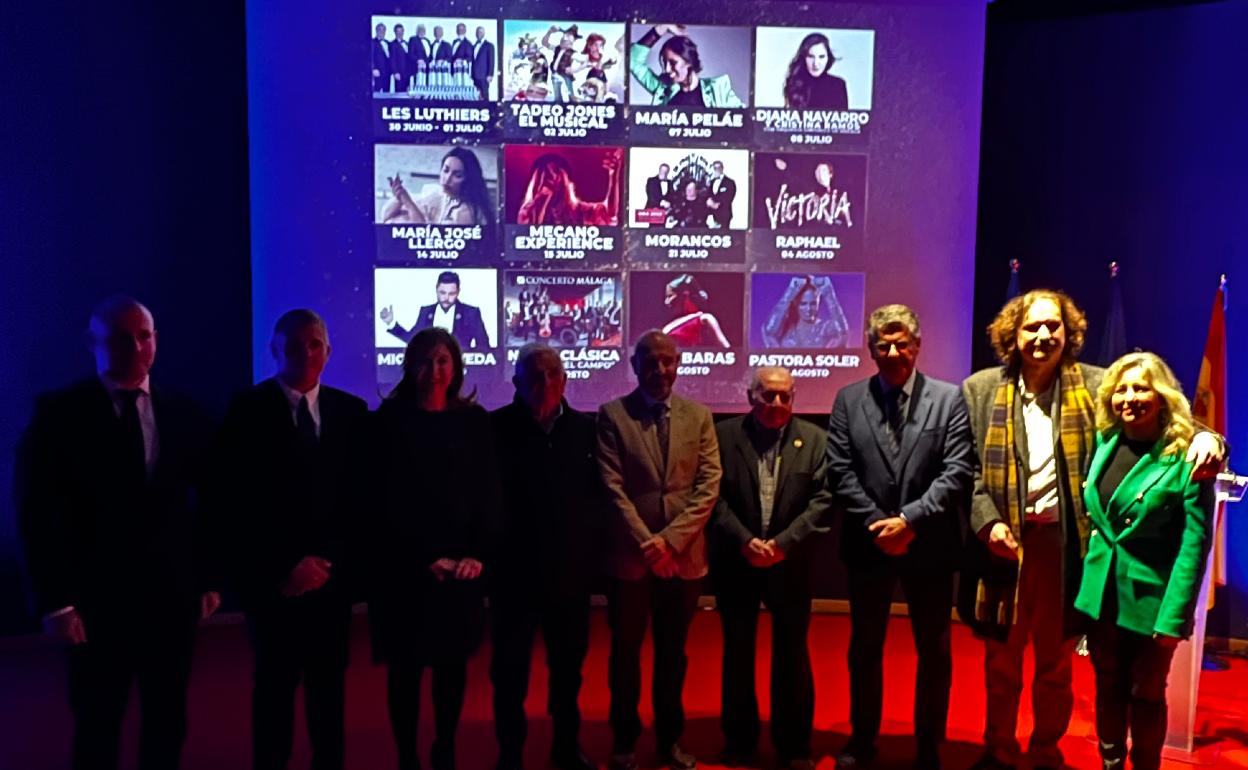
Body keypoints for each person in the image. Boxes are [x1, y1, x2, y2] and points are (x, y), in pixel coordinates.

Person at [959, 290, 1223, 770]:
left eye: (1053, 326)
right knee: (1001, 661)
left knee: (1056, 665)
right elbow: (967, 470)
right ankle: (998, 749)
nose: (1043, 336)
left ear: (1069, 332)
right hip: (1001, 544)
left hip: (1068, 548)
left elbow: (1172, 417)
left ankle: (1045, 751)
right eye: (1031, 327)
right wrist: (986, 521)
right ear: (1012, 335)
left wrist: (1210, 438)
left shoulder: (1100, 385)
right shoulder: (978, 390)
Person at [15, 295, 220, 770]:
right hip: (94, 603)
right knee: (97, 724)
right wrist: (56, 601)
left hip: (170, 600)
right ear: (93, 345)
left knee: (167, 721)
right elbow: (35, 512)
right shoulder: (60, 415)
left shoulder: (183, 411)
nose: (136, 347)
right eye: (121, 338)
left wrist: (208, 576)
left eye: (144, 336)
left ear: (156, 340)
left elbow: (211, 500)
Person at [214, 309, 367, 770]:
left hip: (331, 584)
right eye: (295, 346)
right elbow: (234, 504)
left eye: (315, 345)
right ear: (275, 351)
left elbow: (359, 503)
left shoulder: (351, 412)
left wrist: (327, 565)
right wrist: (285, 566)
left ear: (328, 351)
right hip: (274, 586)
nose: (306, 354)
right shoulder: (245, 411)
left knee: (329, 696)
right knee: (274, 693)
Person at [825, 304, 974, 770]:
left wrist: (908, 520)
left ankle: (928, 746)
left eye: (901, 343)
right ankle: (862, 740)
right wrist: (879, 525)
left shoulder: (949, 399)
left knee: (934, 651)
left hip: (927, 544)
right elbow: (840, 471)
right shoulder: (848, 400)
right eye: (883, 345)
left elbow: (957, 471)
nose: (893, 352)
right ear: (870, 350)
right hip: (868, 544)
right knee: (864, 648)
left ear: (917, 345)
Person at [367, 328, 502, 770]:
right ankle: (407, 757)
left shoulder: (475, 421)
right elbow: (380, 502)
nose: (435, 371)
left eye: (443, 361)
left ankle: (444, 750)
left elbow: (487, 493)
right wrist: (425, 558)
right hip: (405, 572)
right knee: (404, 674)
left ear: (457, 367)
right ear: (410, 366)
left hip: (461, 572)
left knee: (451, 669)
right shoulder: (386, 422)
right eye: (426, 361)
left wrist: (476, 555)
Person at [1074, 352, 1213, 770]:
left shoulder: (1186, 457)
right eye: (1121, 389)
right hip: (1101, 597)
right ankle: (1111, 764)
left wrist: (1174, 620)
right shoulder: (1105, 442)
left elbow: (1194, 545)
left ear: (1162, 395)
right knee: (1107, 688)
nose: (1129, 398)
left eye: (1141, 388)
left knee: (1147, 696)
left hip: (1151, 605)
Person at [597, 331, 722, 770]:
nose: (660, 370)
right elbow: (611, 486)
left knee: (673, 656)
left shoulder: (699, 416)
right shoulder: (613, 415)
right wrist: (648, 544)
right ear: (634, 366)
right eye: (650, 362)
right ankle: (625, 741)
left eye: (668, 361)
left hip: (683, 559)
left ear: (679, 363)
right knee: (625, 655)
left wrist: (670, 542)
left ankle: (670, 741)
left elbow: (709, 485)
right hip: (631, 559)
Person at [490, 345, 605, 770]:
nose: (544, 383)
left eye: (553, 374)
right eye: (534, 376)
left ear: (565, 380)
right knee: (509, 674)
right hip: (512, 575)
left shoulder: (585, 430)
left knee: (568, 673)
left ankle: (565, 749)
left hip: (569, 575)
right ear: (516, 382)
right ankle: (510, 753)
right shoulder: (494, 428)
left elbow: (597, 501)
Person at [711, 367, 832, 770]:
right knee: (738, 653)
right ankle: (740, 742)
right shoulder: (724, 436)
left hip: (790, 566)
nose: (776, 404)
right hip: (737, 562)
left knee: (792, 655)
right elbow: (714, 497)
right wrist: (744, 540)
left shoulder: (816, 440)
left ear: (794, 397)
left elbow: (823, 501)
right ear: (750, 397)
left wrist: (783, 545)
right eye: (767, 396)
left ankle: (794, 745)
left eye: (784, 396)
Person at [630, 24, 744, 108]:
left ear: (689, 62)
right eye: (664, 62)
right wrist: (661, 28)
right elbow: (632, 61)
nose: (667, 69)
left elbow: (745, 120)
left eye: (673, 63)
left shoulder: (718, 90)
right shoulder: (662, 88)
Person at [381, 146, 495, 227]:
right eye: (445, 170)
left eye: (457, 175)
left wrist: (407, 201)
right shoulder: (438, 194)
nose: (447, 179)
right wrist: (399, 196)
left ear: (469, 180)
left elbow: (425, 235)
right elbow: (385, 217)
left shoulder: (465, 213)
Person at [379, 270, 492, 351]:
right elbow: (413, 340)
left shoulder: (471, 313)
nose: (446, 298)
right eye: (442, 293)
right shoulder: (426, 312)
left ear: (458, 292)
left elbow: (484, 347)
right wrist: (391, 323)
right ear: (436, 290)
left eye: (451, 293)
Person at [516, 150, 621, 226]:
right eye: (546, 174)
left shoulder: (580, 211)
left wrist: (613, 175)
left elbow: (609, 214)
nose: (552, 178)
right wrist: (544, 198)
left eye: (556, 171)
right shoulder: (528, 212)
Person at [761, 275, 850, 349]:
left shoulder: (824, 328)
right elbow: (768, 332)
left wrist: (828, 293)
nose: (808, 309)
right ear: (796, 303)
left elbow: (843, 333)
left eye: (813, 303)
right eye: (803, 304)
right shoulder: (784, 328)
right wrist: (790, 293)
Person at [662, 273, 730, 348]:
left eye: (670, 296)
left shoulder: (705, 319)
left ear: (685, 295)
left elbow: (728, 351)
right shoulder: (670, 325)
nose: (666, 301)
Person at [783, 33, 848, 110]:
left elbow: (843, 120)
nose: (816, 63)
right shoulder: (794, 83)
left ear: (828, 58)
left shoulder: (838, 84)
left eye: (821, 57)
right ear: (803, 58)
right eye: (811, 56)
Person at [541, 24, 581, 102]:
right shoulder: (556, 48)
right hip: (555, 75)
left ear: (574, 40)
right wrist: (549, 32)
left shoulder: (573, 53)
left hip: (566, 76)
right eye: (565, 35)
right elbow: (544, 43)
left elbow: (585, 62)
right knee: (557, 97)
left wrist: (575, 69)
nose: (565, 38)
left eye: (569, 36)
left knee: (571, 96)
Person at [705, 161, 736, 229]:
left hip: (724, 214)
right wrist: (709, 202)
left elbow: (729, 197)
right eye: (715, 168)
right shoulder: (711, 182)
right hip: (712, 215)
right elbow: (708, 195)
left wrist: (717, 204)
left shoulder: (729, 182)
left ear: (722, 168)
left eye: (719, 168)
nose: (717, 170)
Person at [471, 26, 495, 100]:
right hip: (474, 75)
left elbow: (491, 60)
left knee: (484, 95)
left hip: (484, 76)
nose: (479, 34)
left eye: (481, 32)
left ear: (484, 33)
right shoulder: (474, 46)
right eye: (477, 32)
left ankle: (486, 109)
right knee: (476, 95)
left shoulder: (489, 45)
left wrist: (490, 74)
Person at [390, 24, 411, 93]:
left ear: (403, 32)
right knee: (399, 93)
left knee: (408, 93)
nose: (399, 33)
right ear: (395, 32)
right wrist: (395, 72)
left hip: (408, 73)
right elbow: (392, 59)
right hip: (399, 74)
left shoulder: (407, 43)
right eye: (398, 31)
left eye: (401, 31)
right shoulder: (392, 44)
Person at [373, 23, 391, 93]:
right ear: (376, 31)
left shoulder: (388, 43)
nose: (382, 32)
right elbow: (370, 57)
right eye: (380, 30)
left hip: (387, 73)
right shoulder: (372, 42)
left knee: (386, 93)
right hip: (377, 72)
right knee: (376, 93)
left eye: (383, 30)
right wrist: (373, 69)